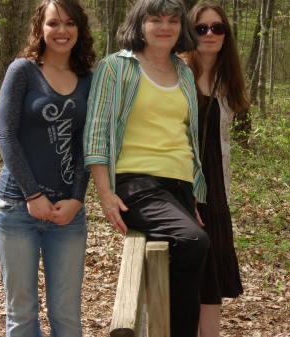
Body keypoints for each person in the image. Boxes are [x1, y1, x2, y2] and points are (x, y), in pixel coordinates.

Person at [84, 0, 209, 336]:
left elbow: (186, 136)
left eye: (172, 20)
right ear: (140, 25)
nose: (165, 26)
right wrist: (105, 194)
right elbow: (96, 133)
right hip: (135, 182)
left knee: (187, 253)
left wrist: (193, 196)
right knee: (192, 240)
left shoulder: (184, 72)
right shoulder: (116, 67)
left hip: (180, 186)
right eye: (155, 19)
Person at [0, 0, 95, 336]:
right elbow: (6, 135)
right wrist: (32, 194)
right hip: (17, 209)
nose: (61, 31)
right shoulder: (23, 71)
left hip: (68, 214)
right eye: (53, 23)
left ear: (80, 30)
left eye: (69, 23)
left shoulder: (88, 81)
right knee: (21, 315)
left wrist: (77, 198)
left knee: (66, 315)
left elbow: (88, 145)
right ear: (40, 28)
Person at [184, 2, 249, 337]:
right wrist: (186, 195)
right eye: (201, 28)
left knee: (213, 274)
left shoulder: (228, 80)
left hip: (217, 188)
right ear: (189, 32)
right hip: (184, 189)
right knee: (186, 275)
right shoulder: (176, 74)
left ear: (226, 35)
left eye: (217, 28)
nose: (210, 34)